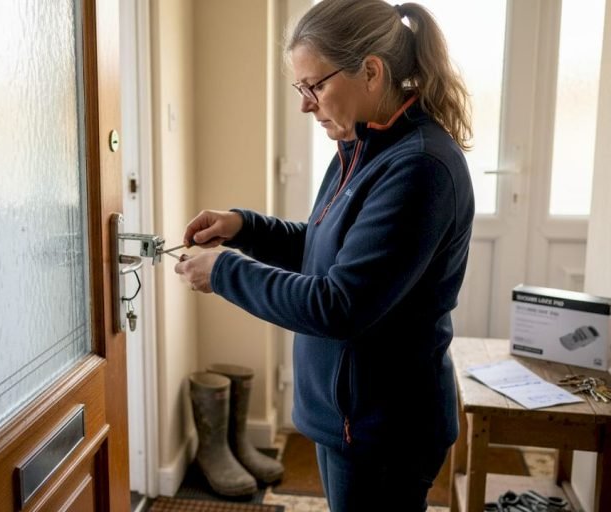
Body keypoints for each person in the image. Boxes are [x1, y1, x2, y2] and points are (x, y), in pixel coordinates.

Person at [174, 0, 474, 510]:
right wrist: (246, 227)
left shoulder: (418, 168)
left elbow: (338, 303)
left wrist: (225, 272)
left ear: (372, 72)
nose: (305, 105)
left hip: (384, 429)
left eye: (314, 86)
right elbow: (325, 250)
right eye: (300, 89)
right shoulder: (363, 146)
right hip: (351, 418)